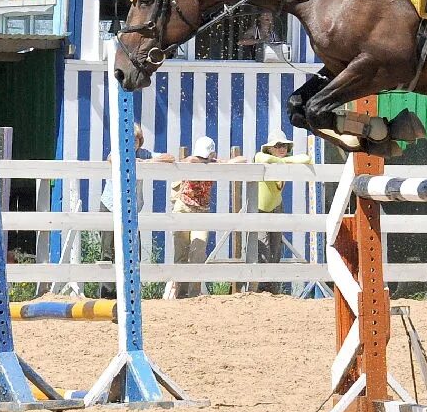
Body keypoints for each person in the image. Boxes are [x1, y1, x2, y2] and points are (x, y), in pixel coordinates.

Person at [99, 123, 174, 298]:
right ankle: (107, 294)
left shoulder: (144, 154)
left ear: (139, 141)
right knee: (108, 251)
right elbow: (111, 159)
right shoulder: (117, 151)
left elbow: (169, 157)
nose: (132, 142)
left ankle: (130, 293)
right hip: (111, 206)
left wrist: (146, 162)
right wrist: (134, 161)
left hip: (130, 210)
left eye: (135, 139)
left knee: (133, 250)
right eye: (129, 139)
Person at [166, 136, 246, 299]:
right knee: (181, 252)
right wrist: (206, 161)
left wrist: (215, 162)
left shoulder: (214, 163)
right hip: (184, 207)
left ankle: (193, 294)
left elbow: (242, 160)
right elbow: (189, 161)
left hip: (201, 211)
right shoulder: (192, 161)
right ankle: (180, 293)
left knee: (198, 251)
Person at [252, 134, 311, 294]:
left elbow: (306, 158)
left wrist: (282, 161)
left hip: (275, 206)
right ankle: (262, 288)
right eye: (277, 146)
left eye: (284, 145)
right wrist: (284, 161)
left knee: (276, 247)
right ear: (270, 149)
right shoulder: (263, 158)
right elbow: (260, 157)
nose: (282, 148)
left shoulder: (279, 161)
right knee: (263, 248)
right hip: (261, 208)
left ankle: (273, 288)